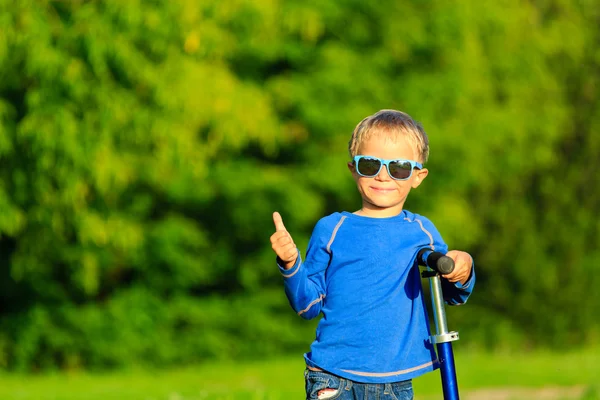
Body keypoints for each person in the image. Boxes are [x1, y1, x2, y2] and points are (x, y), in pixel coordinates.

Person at [270, 109, 475, 400]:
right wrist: (290, 263)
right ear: (353, 168)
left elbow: (452, 292)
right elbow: (308, 306)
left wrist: (463, 267)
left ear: (418, 176)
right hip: (333, 376)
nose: (383, 175)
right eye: (370, 164)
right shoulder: (332, 229)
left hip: (396, 381)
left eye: (399, 167)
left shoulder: (421, 231)